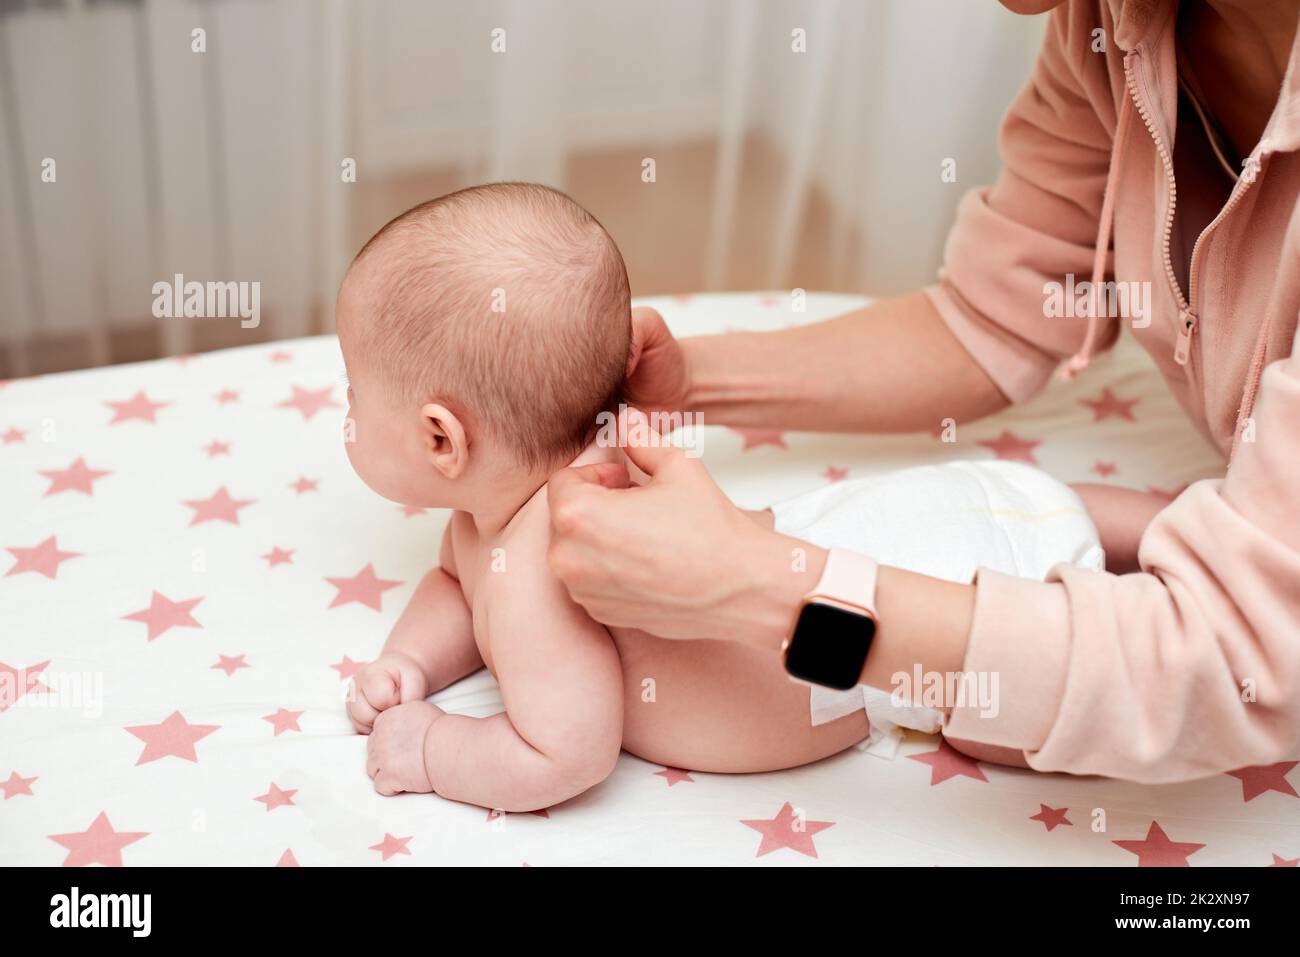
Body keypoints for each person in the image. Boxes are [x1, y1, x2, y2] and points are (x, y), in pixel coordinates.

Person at [544, 0, 1300, 783]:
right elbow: (990, 318)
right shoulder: (1109, 24)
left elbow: (1232, 660)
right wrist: (689, 382)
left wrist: (766, 587)